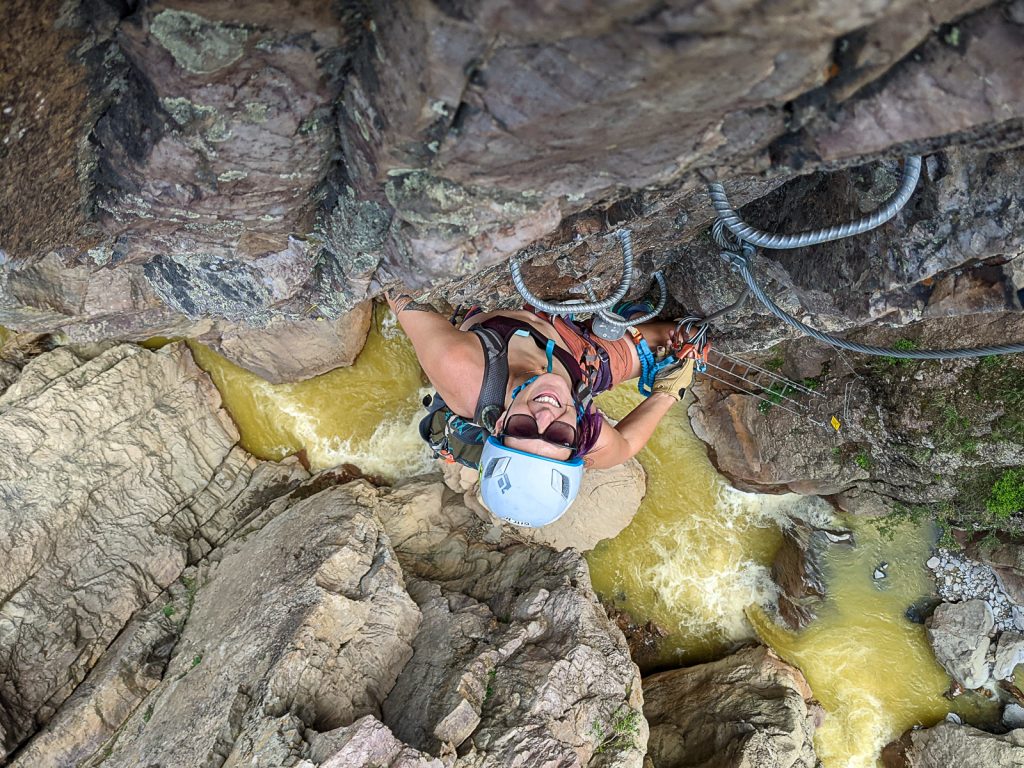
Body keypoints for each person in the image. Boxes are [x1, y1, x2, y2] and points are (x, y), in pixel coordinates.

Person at [387, 293, 695, 527]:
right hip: (579, 356)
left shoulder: (459, 367)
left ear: (500, 423)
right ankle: (628, 319)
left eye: (523, 428)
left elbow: (396, 289)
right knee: (684, 337)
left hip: (509, 321)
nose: (545, 417)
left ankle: (626, 320)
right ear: (576, 441)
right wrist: (667, 392)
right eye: (560, 436)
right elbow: (626, 445)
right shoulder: (587, 438)